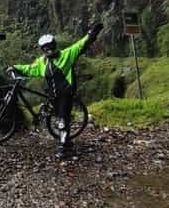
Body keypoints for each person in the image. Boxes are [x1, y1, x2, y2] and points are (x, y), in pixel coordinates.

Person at [7, 23, 103, 158]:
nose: (48, 49)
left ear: (54, 45)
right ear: (42, 49)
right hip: (52, 95)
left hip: (65, 93)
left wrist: (91, 34)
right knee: (59, 119)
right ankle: (66, 139)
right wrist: (15, 67)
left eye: (50, 46)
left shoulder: (66, 55)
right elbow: (30, 69)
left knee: (62, 121)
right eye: (45, 47)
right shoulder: (42, 62)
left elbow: (81, 45)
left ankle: (64, 149)